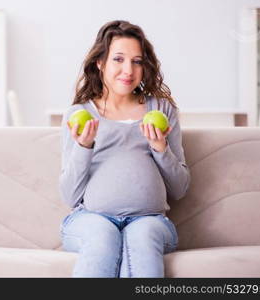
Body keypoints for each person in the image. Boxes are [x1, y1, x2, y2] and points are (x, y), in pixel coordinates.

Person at [59, 20, 190, 278]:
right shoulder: (79, 114)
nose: (128, 70)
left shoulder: (162, 110)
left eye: (137, 61)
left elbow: (180, 188)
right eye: (118, 59)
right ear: (100, 63)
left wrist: (160, 148)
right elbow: (69, 196)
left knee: (142, 236)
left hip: (151, 220)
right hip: (90, 219)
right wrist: (84, 146)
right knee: (101, 236)